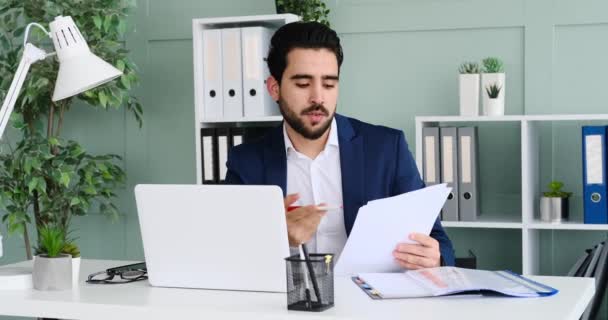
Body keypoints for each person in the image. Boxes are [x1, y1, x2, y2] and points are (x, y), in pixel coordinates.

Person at [225, 21, 455, 268]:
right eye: (303, 84)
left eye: (329, 84)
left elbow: (438, 240)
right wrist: (279, 238)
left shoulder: (388, 149)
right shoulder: (245, 162)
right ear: (274, 88)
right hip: (288, 303)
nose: (318, 98)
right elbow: (229, 254)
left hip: (372, 301)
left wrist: (436, 257)